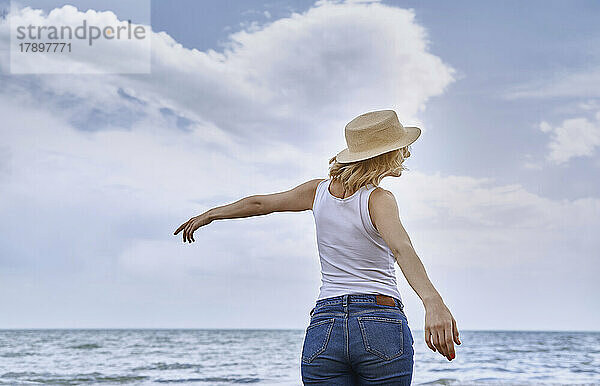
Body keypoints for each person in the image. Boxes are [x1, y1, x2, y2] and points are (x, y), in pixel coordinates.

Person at [174, 110, 461, 385]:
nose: (406, 153)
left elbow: (261, 204)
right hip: (378, 321)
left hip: (325, 327)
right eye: (401, 147)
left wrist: (211, 214)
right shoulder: (379, 199)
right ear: (384, 155)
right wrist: (433, 302)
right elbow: (402, 249)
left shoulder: (317, 192)